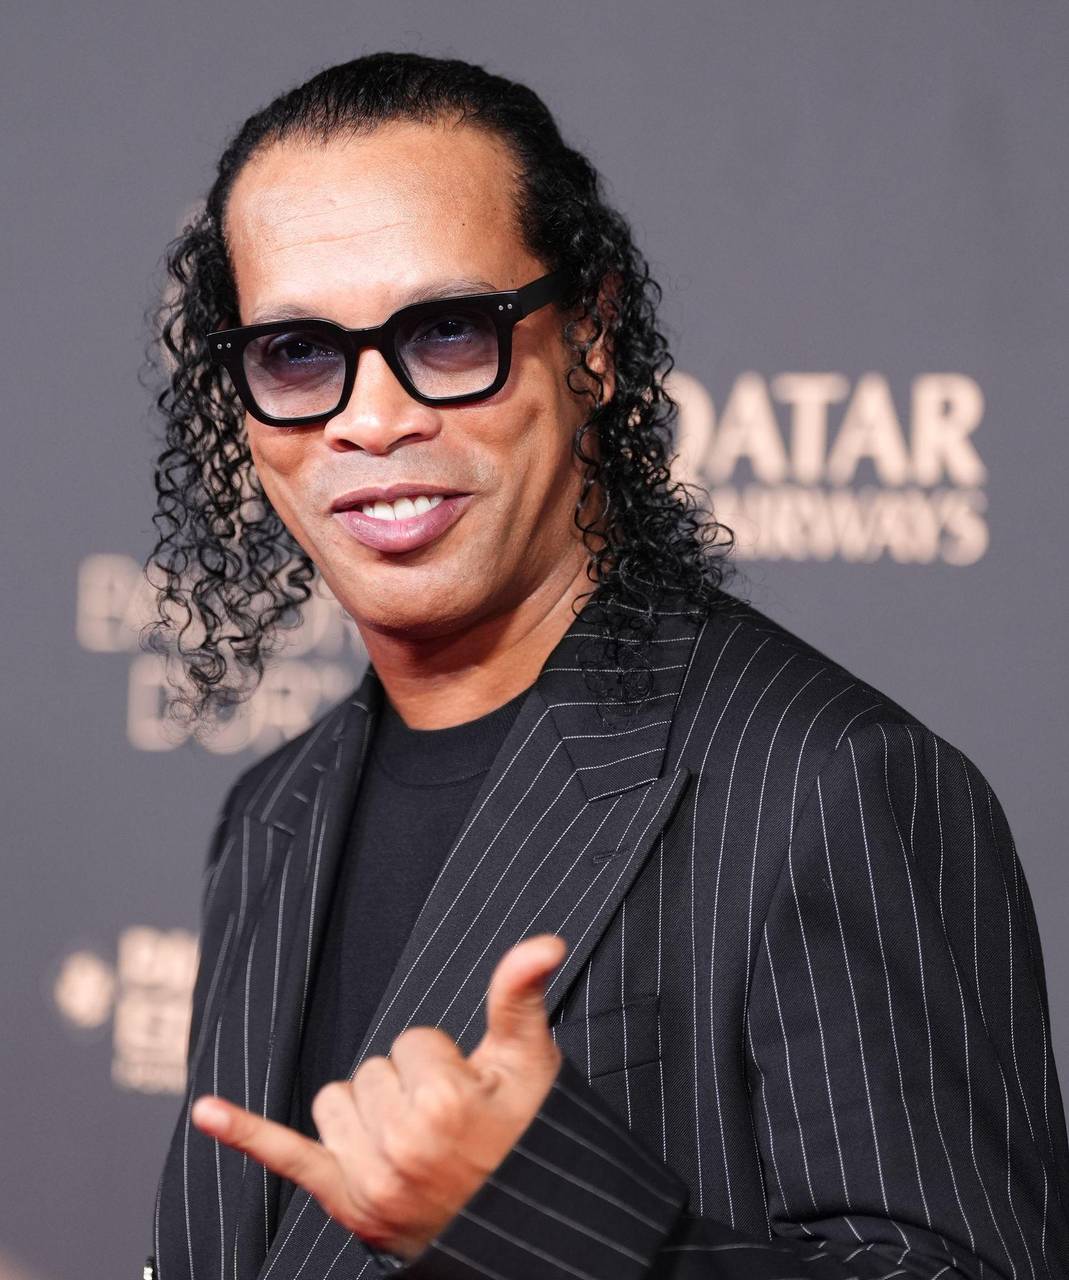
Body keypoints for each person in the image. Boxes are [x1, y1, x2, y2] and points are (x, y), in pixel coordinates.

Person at [146, 51, 1068, 1280]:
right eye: (298, 351)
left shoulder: (829, 783)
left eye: (447, 330)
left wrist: (547, 1220)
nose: (370, 418)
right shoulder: (271, 811)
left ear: (590, 338)